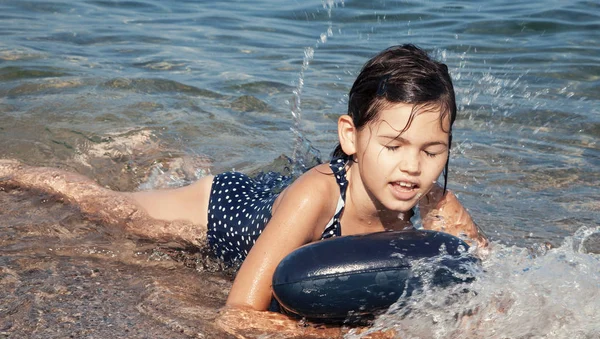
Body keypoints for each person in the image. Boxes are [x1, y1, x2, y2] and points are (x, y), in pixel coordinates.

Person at [0, 44, 487, 321]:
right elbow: (238, 313)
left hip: (274, 197)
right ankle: (14, 171)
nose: (412, 168)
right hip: (224, 209)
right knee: (104, 208)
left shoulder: (436, 205)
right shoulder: (316, 197)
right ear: (351, 136)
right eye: (393, 146)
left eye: (431, 151)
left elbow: (486, 280)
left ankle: (168, 158)